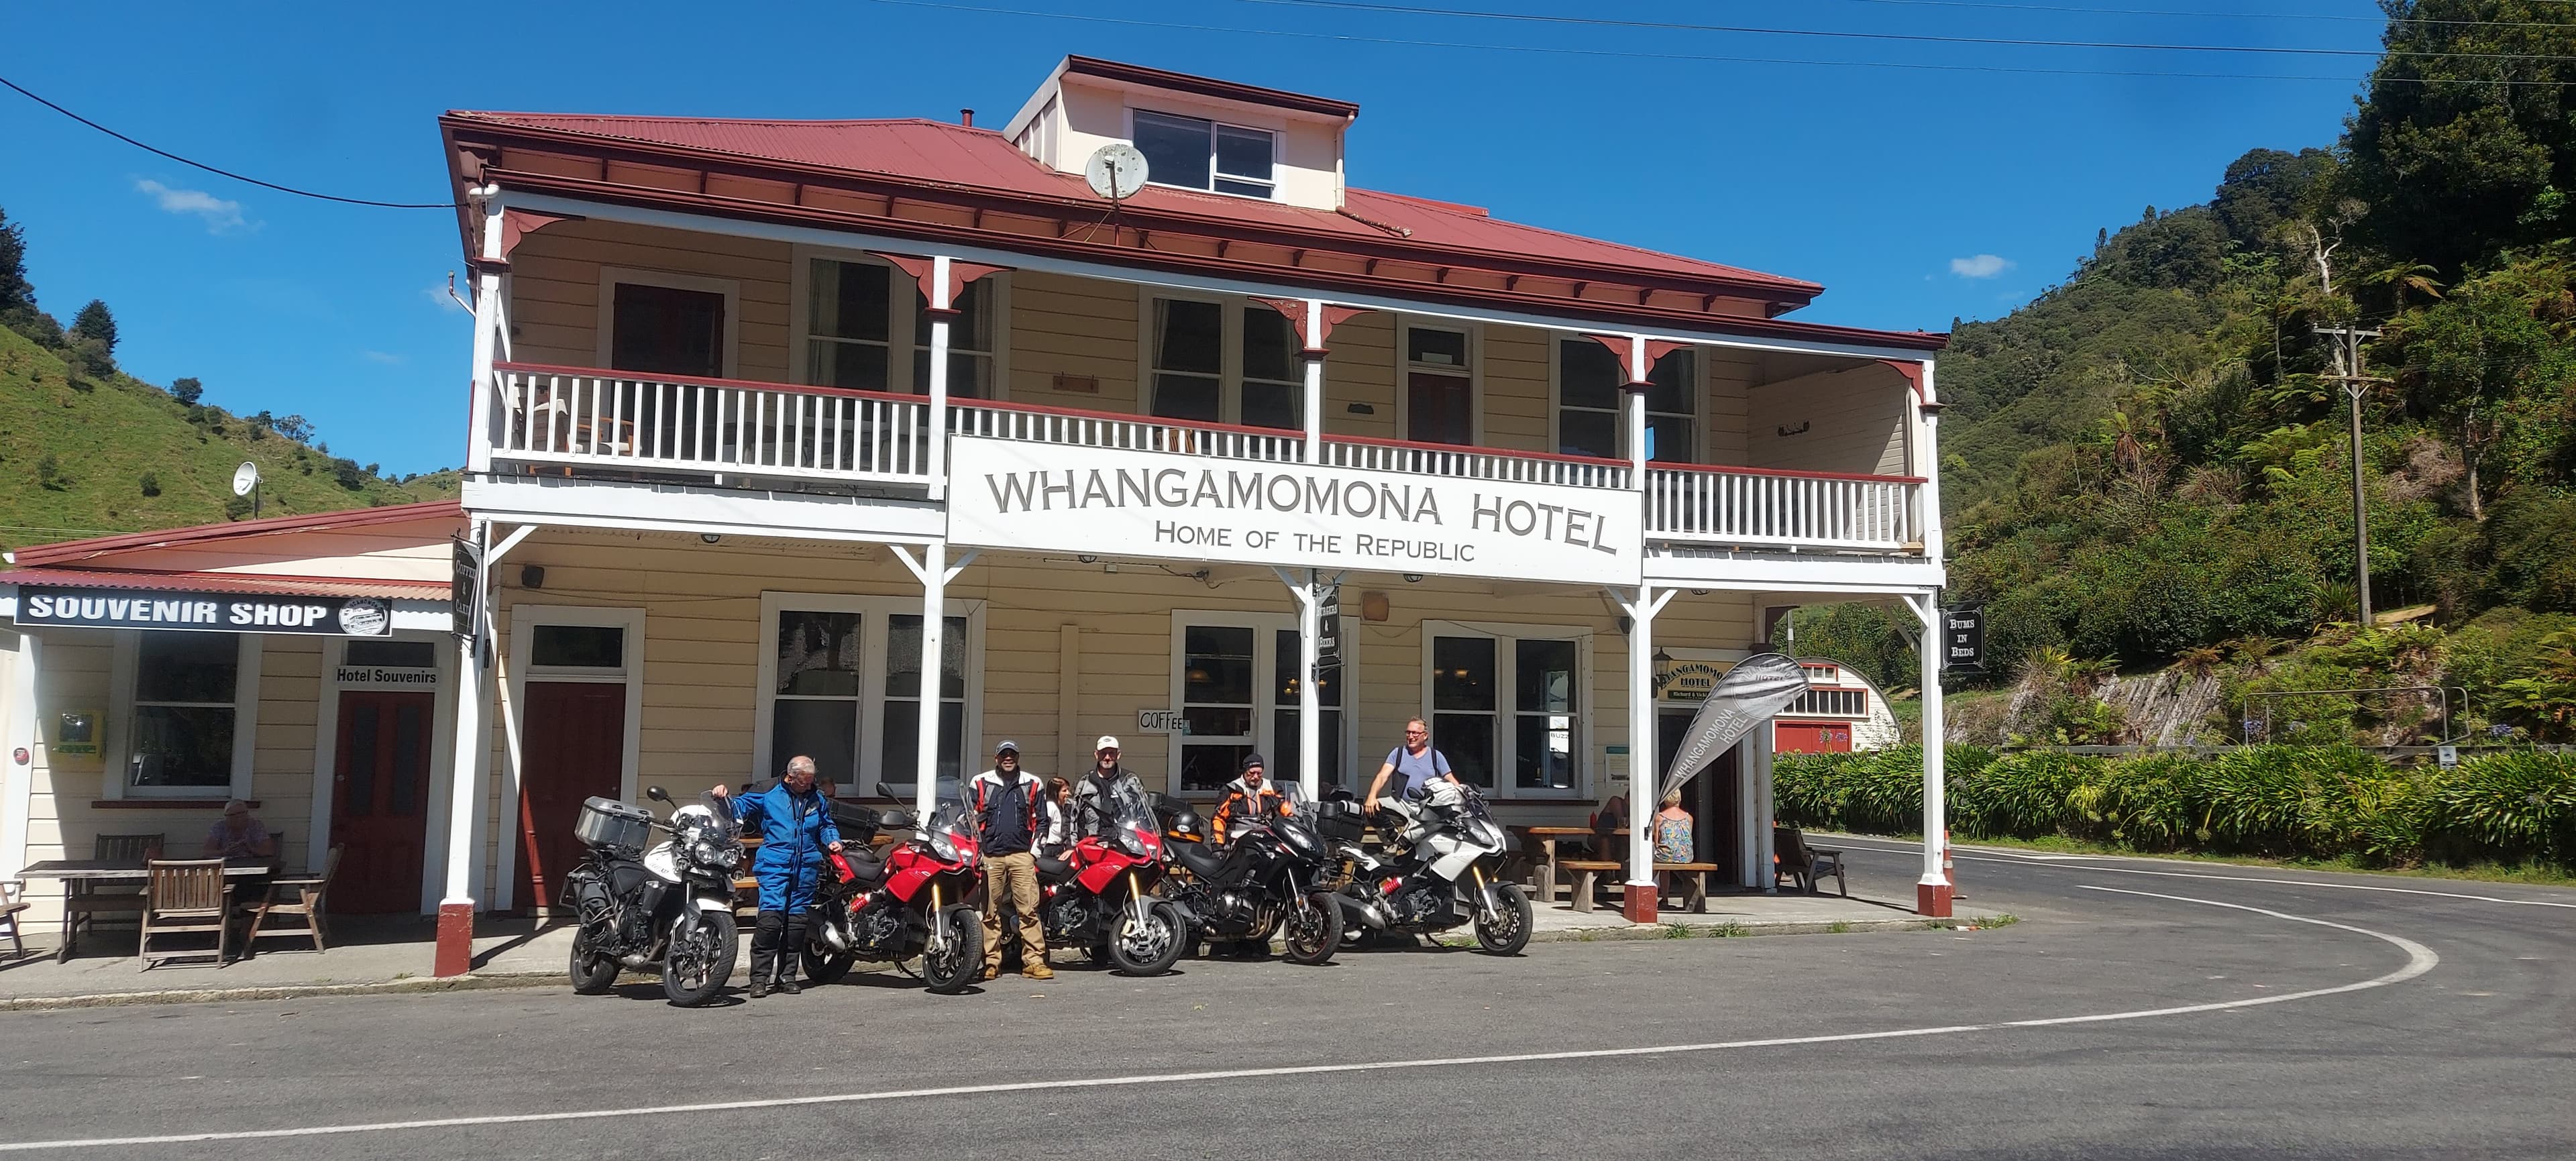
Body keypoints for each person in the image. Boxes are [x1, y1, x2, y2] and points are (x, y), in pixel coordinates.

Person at [716, 756, 843, 998]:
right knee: (770, 923)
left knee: (796, 926)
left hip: (806, 868)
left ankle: (787, 978)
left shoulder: (817, 798)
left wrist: (832, 840)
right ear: (790, 777)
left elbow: (826, 825)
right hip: (775, 865)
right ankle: (759, 980)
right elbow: (737, 808)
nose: (809, 785)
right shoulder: (768, 792)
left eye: (811, 780)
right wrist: (722, 797)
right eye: (804, 781)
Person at [969, 740, 1053, 981]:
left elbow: (1043, 821)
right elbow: (969, 819)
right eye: (1004, 754)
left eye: (1012, 754)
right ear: (996, 758)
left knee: (1029, 910)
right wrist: (977, 852)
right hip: (991, 856)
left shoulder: (1032, 783)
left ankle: (1034, 962)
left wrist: (1034, 853)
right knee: (989, 912)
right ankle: (991, 963)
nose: (1008, 758)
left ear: (1018, 757)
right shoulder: (980, 782)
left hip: (1022, 855)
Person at [1362, 718, 1458, 814]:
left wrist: (1461, 796)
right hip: (1400, 804)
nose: (1411, 737)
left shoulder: (1436, 756)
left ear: (1425, 736)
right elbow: (1382, 776)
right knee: (1374, 808)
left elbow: (1450, 778)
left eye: (1415, 733)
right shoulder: (1398, 753)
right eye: (1408, 733)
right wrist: (1371, 797)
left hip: (1428, 807)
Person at [1211, 753, 1292, 846]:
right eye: (1252, 773)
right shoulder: (1231, 790)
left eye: (1259, 773)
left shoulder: (1272, 788)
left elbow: (1288, 813)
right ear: (1245, 771)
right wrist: (1217, 846)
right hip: (1238, 841)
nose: (1256, 777)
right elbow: (1219, 819)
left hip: (1267, 840)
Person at [1073, 736, 1145, 839]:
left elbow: (1143, 813)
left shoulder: (1130, 781)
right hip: (1093, 841)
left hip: (1125, 841)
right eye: (1103, 753)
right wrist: (1072, 844)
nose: (1107, 757)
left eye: (1111, 753)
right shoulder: (1085, 782)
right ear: (1096, 755)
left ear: (1118, 755)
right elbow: (1072, 816)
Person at [203, 800, 277, 861]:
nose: (239, 818)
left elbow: (269, 851)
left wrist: (251, 849)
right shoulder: (219, 827)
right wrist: (225, 852)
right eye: (233, 815)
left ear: (247, 814)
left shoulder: (256, 826)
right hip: (226, 865)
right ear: (226, 816)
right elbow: (207, 853)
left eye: (241, 814)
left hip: (252, 864)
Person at [1652, 790, 1694, 864]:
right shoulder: (1689, 818)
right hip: (1686, 857)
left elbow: (1656, 843)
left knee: (1656, 859)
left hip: (1665, 857)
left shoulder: (1660, 817)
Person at [1038, 775, 1075, 859]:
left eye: (1068, 790)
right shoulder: (1050, 807)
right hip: (1050, 849)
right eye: (1064, 791)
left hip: (1057, 848)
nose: (1068, 793)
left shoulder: (1061, 808)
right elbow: (1043, 826)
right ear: (1056, 792)